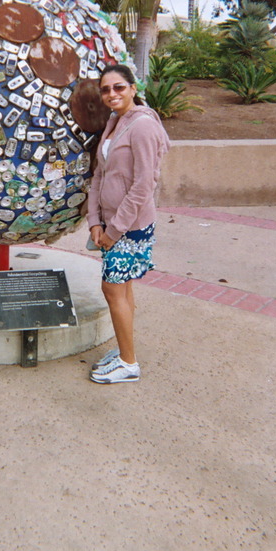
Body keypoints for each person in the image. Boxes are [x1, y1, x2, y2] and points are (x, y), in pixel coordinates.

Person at [87, 64, 170, 384]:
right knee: (123, 289)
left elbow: (143, 184)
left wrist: (112, 231)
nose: (112, 94)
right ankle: (124, 351)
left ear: (133, 88)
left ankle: (129, 363)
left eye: (119, 87)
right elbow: (99, 174)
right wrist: (95, 221)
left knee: (112, 289)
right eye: (106, 89)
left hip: (130, 226)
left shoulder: (143, 127)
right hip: (110, 224)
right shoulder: (113, 123)